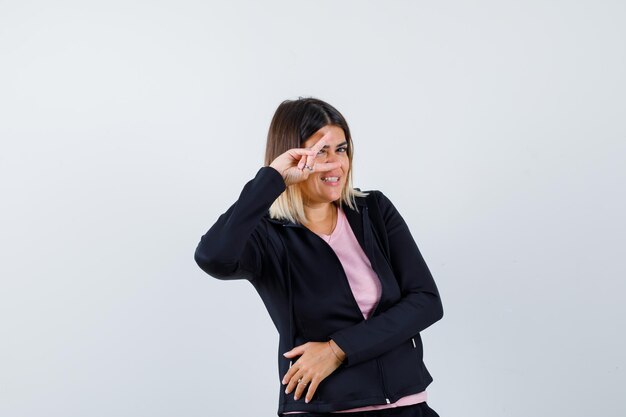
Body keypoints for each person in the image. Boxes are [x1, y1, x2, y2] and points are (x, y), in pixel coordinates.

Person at [194, 97, 444, 417]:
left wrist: (338, 350)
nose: (336, 163)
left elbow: (425, 302)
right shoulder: (267, 235)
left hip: (407, 405)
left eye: (341, 149)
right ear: (294, 157)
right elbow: (212, 258)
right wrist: (271, 180)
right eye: (320, 151)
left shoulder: (373, 210)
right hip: (324, 410)